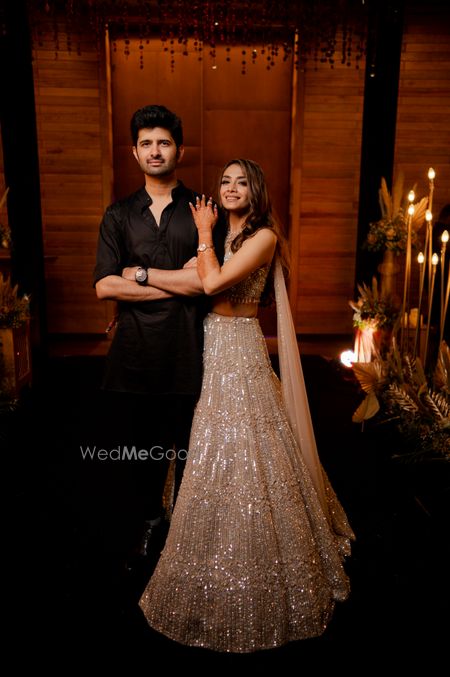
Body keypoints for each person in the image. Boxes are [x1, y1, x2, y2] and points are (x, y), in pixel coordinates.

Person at [138, 158, 355, 652]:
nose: (231, 188)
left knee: (253, 443)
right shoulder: (219, 238)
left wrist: (199, 235)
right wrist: (149, 276)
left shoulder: (262, 238)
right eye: (225, 181)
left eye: (242, 182)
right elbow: (190, 280)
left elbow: (210, 284)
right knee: (213, 439)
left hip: (240, 346)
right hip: (210, 344)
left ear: (255, 192)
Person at [93, 104, 224, 565]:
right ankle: (151, 527)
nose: (155, 150)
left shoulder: (204, 211)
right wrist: (178, 283)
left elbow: (209, 283)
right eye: (146, 143)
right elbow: (104, 285)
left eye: (164, 142)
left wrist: (144, 277)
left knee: (193, 449)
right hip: (134, 355)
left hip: (191, 351)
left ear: (179, 149)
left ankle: (190, 541)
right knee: (142, 456)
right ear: (134, 152)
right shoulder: (118, 215)